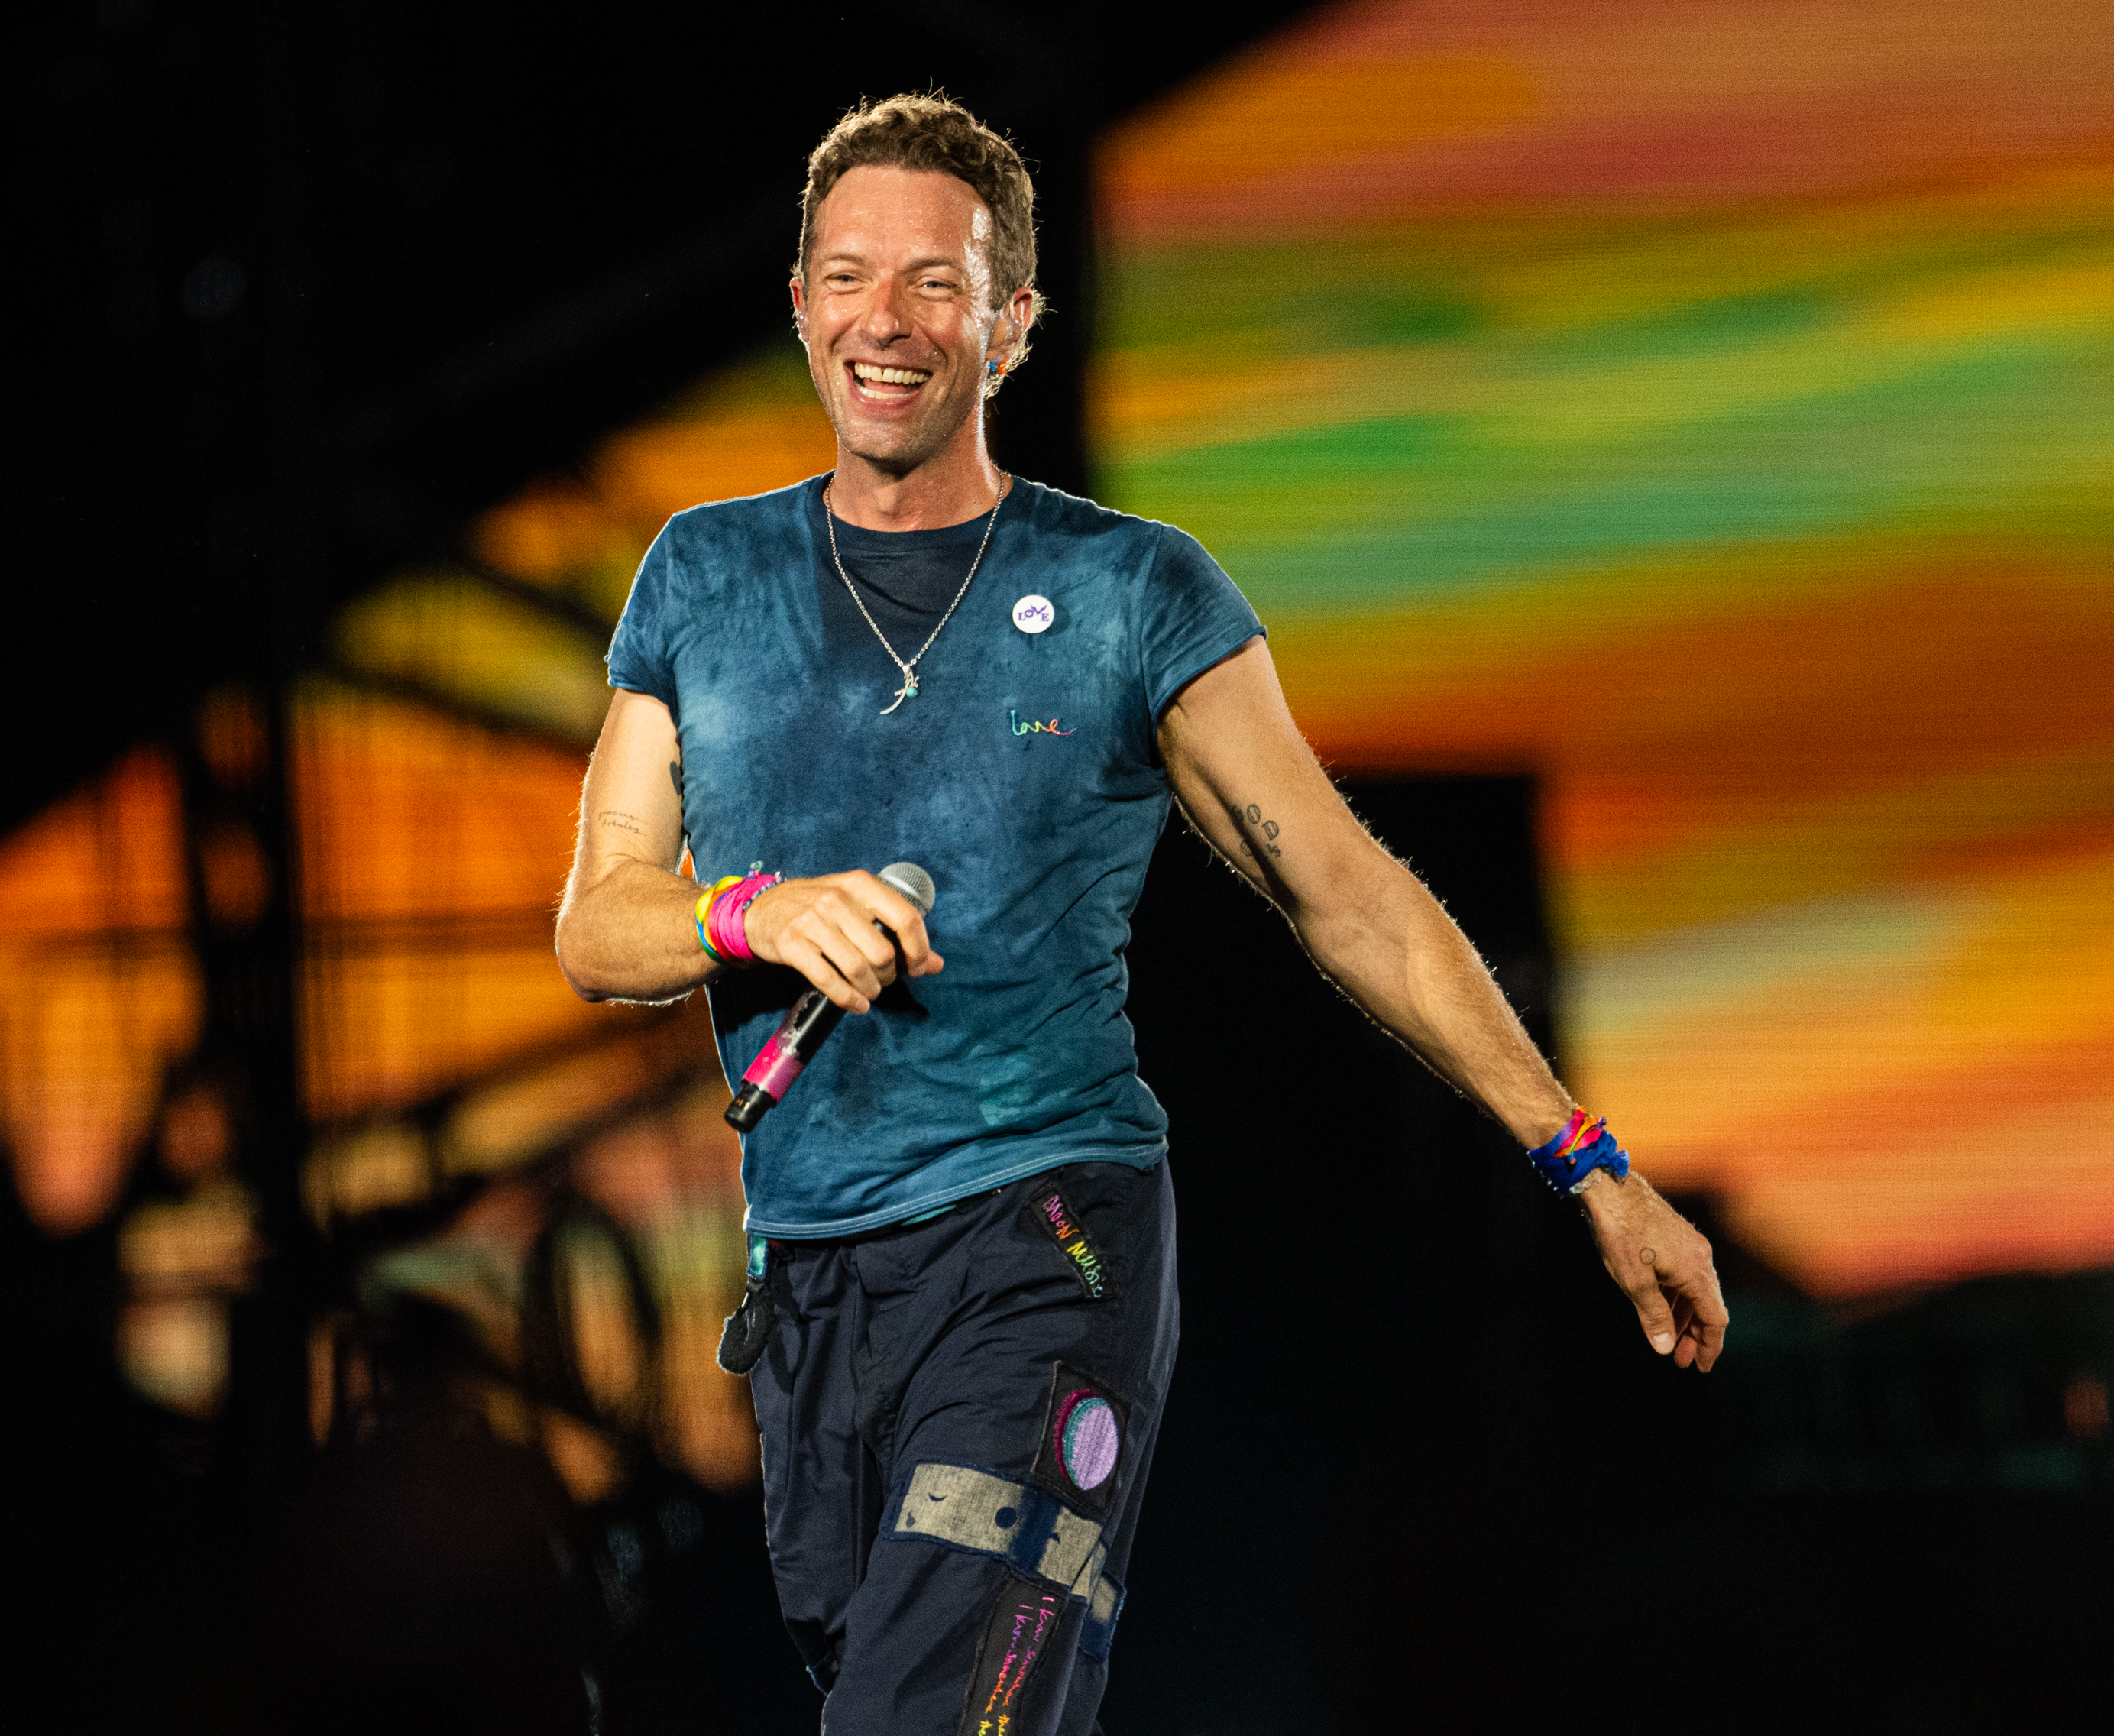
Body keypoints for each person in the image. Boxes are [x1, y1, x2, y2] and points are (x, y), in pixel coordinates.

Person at [555, 92, 1728, 1736]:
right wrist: (749, 910)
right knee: (898, 1668)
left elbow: (1353, 897)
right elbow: (600, 923)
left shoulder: (1131, 593)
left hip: (1049, 1239)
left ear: (1015, 321)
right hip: (815, 1280)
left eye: (936, 282)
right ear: (804, 300)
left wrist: (1588, 1162)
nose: (885, 320)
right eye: (847, 274)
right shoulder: (702, 577)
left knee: (924, 1709)